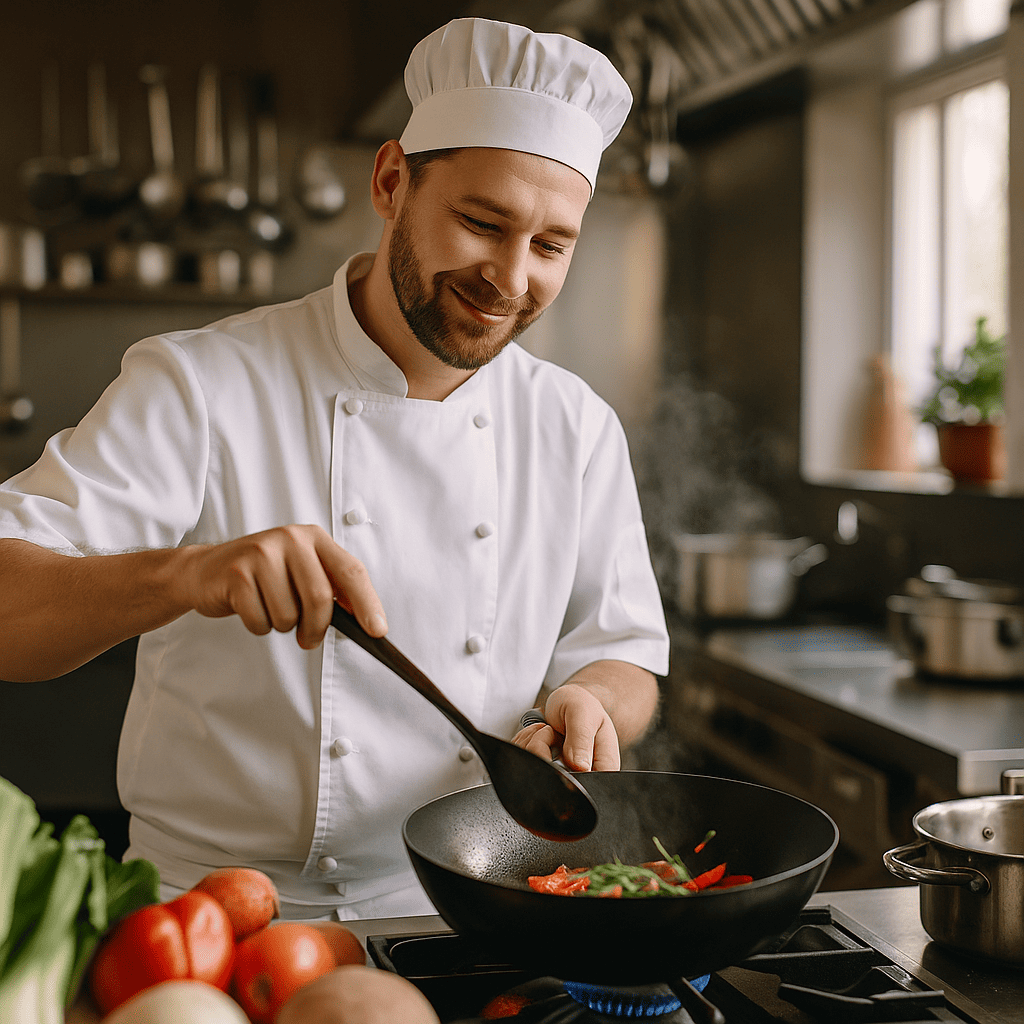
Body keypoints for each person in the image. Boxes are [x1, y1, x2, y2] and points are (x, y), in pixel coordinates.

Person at [0, 18, 669, 919]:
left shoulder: (575, 426)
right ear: (391, 182)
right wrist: (187, 575)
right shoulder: (201, 382)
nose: (511, 279)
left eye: (551, 246)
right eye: (481, 223)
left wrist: (590, 702)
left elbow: (624, 654)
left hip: (456, 906)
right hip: (208, 911)